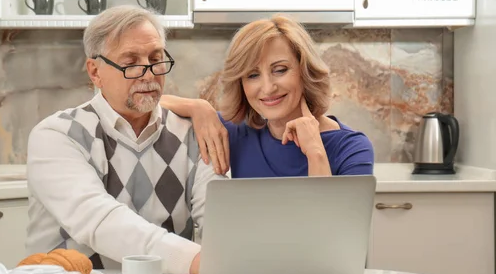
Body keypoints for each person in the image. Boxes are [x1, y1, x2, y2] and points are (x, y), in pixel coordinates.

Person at [25, 5, 223, 274]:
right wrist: (200, 261)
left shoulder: (195, 133)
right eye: (131, 63)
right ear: (95, 72)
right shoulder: (57, 135)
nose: (149, 73)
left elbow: (220, 220)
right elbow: (100, 221)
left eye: (156, 59)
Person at [160, 14, 374, 178]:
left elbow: (335, 231)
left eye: (280, 70)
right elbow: (150, 104)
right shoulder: (236, 133)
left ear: (304, 71)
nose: (268, 87)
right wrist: (199, 107)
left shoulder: (351, 148)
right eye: (252, 75)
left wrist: (315, 152)